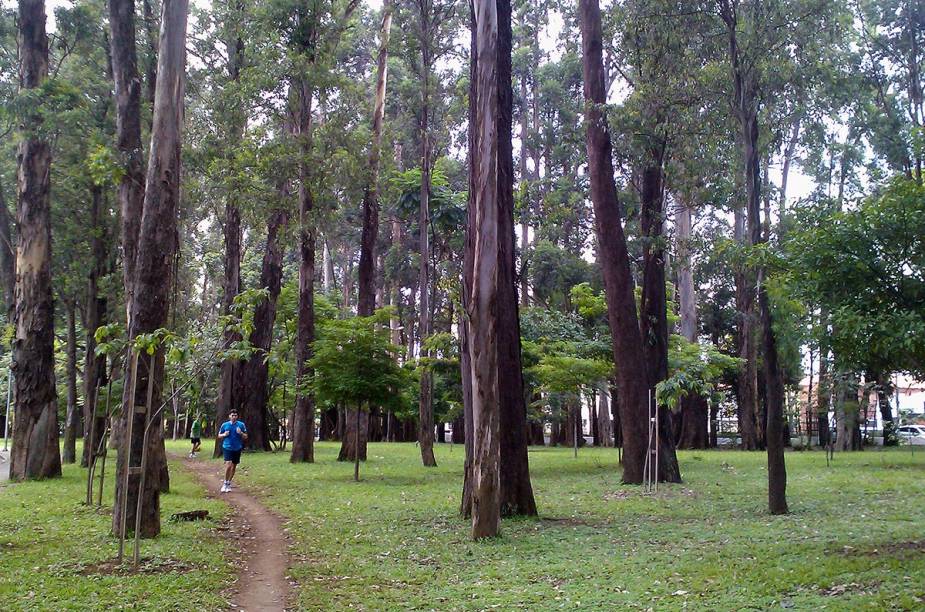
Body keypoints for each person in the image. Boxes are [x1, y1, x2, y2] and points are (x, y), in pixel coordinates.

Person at [218, 410, 248, 493]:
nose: (234, 417)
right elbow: (219, 435)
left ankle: (228, 483)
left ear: (237, 416)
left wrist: (241, 433)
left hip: (237, 448)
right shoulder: (225, 425)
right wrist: (224, 434)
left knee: (234, 466)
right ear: (229, 416)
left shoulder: (241, 425)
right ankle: (224, 483)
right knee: (229, 465)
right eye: (232, 415)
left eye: (235, 415)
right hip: (227, 447)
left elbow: (246, 436)